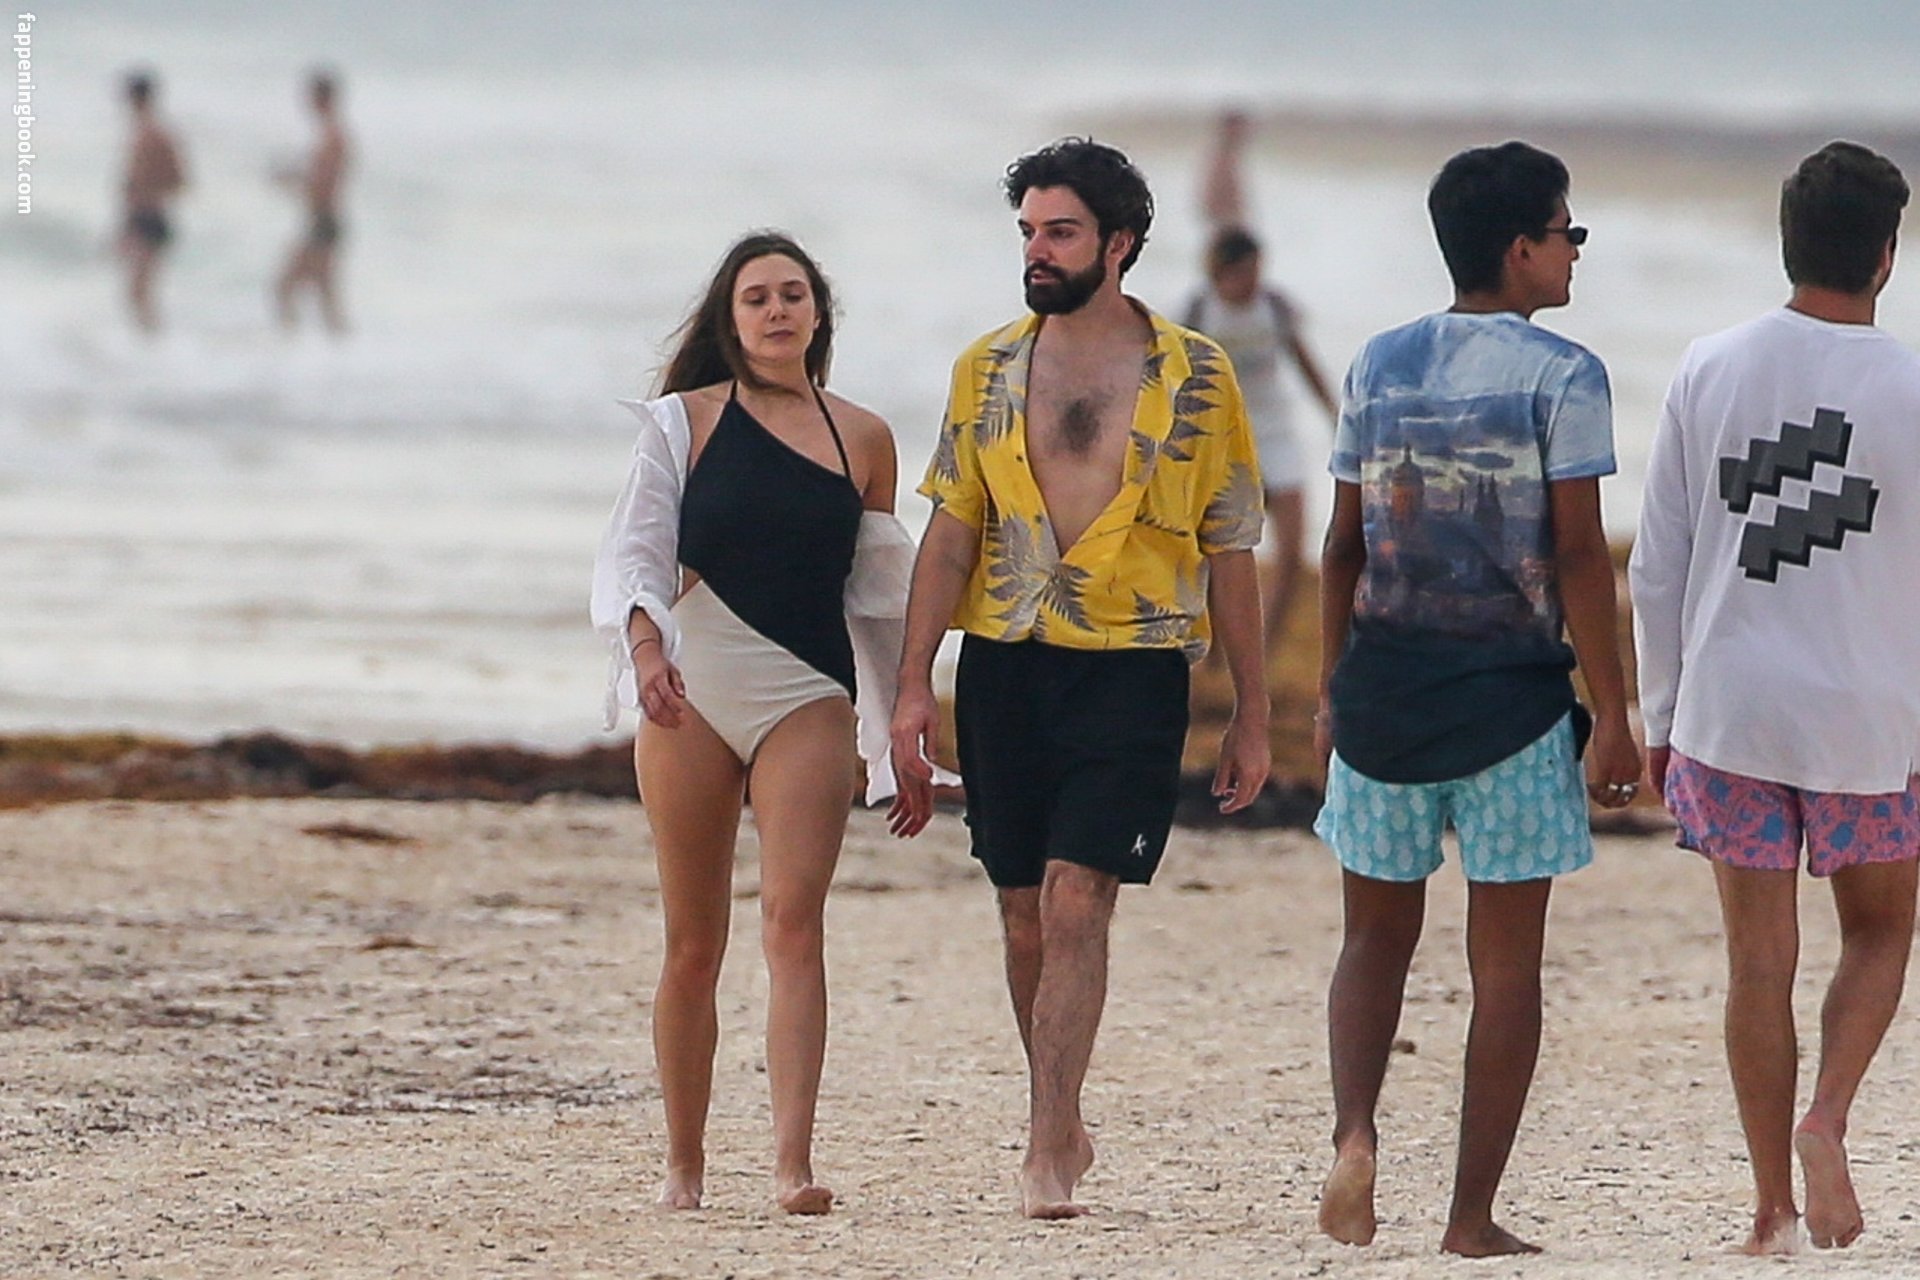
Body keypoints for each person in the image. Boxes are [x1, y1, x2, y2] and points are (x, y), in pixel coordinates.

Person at [890, 138, 1271, 1220]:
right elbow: (950, 534)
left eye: (1059, 232)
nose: (1037, 251)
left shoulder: (1198, 375)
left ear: (1119, 244)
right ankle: (1058, 1113)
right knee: (1022, 909)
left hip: (1135, 666)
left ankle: (1045, 1142)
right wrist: (914, 684)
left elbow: (1232, 544)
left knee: (1077, 897)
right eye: (1028, 232)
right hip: (1005, 663)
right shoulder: (987, 368)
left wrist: (1253, 711)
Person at [1312, 141, 1640, 1257]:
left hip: (1383, 694)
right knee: (1504, 969)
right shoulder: (1565, 374)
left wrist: (1330, 688)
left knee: (1372, 939)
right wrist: (1617, 712)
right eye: (1566, 231)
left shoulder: (1379, 362)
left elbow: (1343, 545)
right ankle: (1467, 1217)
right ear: (1519, 249)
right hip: (1512, 709)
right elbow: (1580, 553)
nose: (1574, 250)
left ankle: (1355, 1136)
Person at [591, 231, 929, 1215]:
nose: (777, 310)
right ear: (731, 319)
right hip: (690, 692)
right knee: (694, 942)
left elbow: (878, 600)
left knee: (793, 923)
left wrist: (901, 729)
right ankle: (683, 1165)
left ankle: (792, 1164)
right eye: (757, 297)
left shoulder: (864, 438)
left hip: (806, 695)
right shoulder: (682, 422)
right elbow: (635, 554)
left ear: (818, 312)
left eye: (792, 294)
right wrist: (645, 654)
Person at [1630, 141, 1920, 1257]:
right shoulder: (1910, 387)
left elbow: (1657, 562)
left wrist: (1661, 718)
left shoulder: (1709, 365)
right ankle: (1827, 1117)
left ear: (1786, 242)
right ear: (1887, 255)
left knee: (1759, 961)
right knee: (1880, 930)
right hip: (1868, 714)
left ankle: (1769, 1209)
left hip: (1732, 707)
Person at [1182, 226, 1339, 650]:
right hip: (1219, 436)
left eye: (1258, 270)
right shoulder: (1198, 311)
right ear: (1221, 271)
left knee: (1292, 548)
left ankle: (1263, 647)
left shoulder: (1274, 306)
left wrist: (1334, 413)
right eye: (1245, 272)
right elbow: (1169, 375)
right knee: (1215, 551)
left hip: (1275, 433)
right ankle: (1215, 647)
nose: (1253, 281)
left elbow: (1303, 361)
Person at [275, 69, 351, 333]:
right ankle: (341, 349)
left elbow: (322, 187)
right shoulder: (331, 135)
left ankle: (289, 342)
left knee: (285, 286)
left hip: (323, 221)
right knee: (325, 295)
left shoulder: (332, 137)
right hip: (323, 220)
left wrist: (292, 183)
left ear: (323, 97)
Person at [117, 69, 186, 333]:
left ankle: (154, 341)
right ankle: (148, 341)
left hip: (151, 216)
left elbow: (180, 180)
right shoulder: (141, 132)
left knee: (139, 291)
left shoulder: (157, 134)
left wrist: (148, 192)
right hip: (138, 216)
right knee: (136, 291)